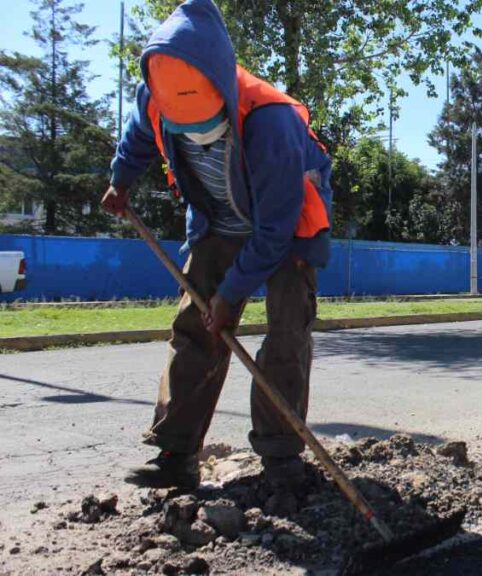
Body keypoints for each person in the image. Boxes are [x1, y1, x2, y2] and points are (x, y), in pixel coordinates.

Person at [101, 0, 332, 508]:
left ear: (224, 93)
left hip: (288, 227)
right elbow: (140, 139)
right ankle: (176, 453)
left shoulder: (272, 121)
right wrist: (120, 181)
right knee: (194, 328)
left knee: (287, 330)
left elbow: (272, 231)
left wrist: (231, 295)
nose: (197, 140)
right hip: (217, 223)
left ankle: (281, 457)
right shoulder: (157, 96)